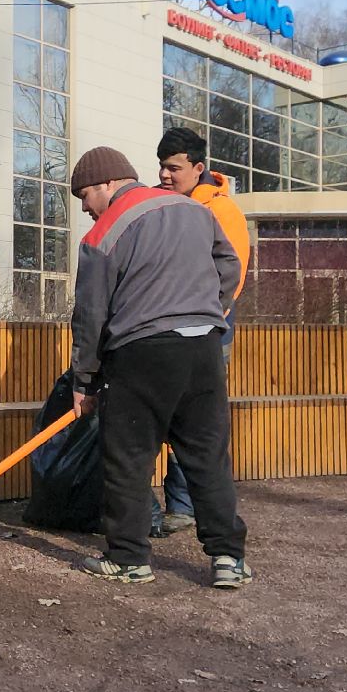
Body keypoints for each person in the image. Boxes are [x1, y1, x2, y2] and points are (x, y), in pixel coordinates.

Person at [66, 145, 249, 590]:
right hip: (203, 346)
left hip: (140, 351)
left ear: (108, 183)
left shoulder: (103, 232)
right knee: (206, 455)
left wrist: (85, 379)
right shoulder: (194, 210)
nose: (85, 208)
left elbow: (91, 313)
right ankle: (228, 558)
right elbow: (229, 264)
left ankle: (129, 558)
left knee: (128, 457)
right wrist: (209, 307)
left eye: (85, 196)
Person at [151, 126, 251, 538]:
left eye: (173, 168)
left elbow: (233, 273)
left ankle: (184, 505)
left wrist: (206, 319)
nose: (165, 174)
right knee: (160, 413)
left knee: (193, 419)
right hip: (164, 326)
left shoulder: (222, 211)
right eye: (161, 166)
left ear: (198, 168)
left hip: (208, 329)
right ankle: (166, 505)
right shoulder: (162, 204)